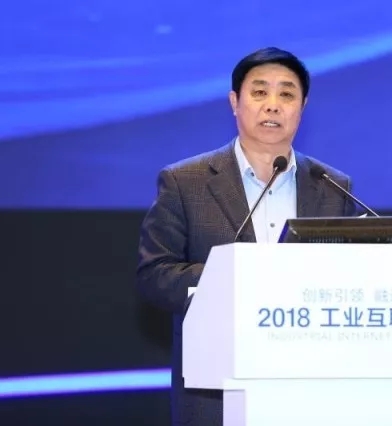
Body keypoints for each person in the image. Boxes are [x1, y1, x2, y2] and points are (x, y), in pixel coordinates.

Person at [135, 47, 358, 426]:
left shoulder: (332, 185)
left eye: (286, 94)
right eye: (259, 92)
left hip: (308, 385)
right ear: (234, 102)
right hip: (216, 387)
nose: (273, 104)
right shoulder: (185, 181)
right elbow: (154, 275)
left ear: (302, 107)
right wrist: (238, 277)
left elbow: (350, 276)